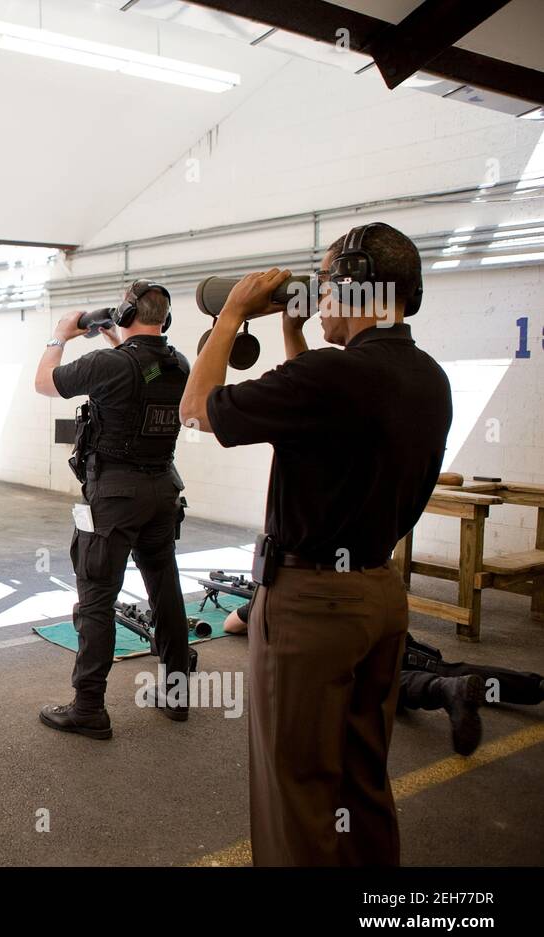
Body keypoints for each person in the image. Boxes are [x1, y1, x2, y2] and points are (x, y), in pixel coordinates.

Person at [179, 222, 453, 866]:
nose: (319, 296)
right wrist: (294, 330)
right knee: (361, 780)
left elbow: (197, 410)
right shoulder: (426, 376)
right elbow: (321, 404)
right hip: (380, 596)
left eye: (326, 284)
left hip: (311, 608)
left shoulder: (334, 377)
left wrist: (232, 315)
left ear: (354, 286)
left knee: (297, 791)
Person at [34, 280, 192, 740]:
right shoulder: (177, 363)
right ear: (165, 319)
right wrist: (115, 340)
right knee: (165, 590)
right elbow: (140, 373)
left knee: (97, 598)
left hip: (116, 497)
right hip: (163, 490)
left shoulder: (110, 365)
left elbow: (44, 383)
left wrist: (60, 334)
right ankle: (177, 693)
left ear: (124, 315)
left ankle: (89, 708)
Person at [221, 603, 487, 756]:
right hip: (379, 626)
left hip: (342, 657)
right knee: (384, 673)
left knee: (367, 683)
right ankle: (450, 686)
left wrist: (253, 604)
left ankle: (442, 688)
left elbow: (230, 625)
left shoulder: (285, 586)